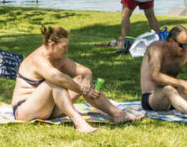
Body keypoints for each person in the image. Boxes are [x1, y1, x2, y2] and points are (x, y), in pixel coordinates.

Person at [11, 25, 143, 133]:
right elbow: (59, 78)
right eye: (64, 47)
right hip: (25, 111)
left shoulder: (58, 58)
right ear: (52, 45)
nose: (67, 50)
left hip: (49, 109)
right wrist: (82, 89)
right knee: (53, 83)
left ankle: (118, 114)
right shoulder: (38, 59)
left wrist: (86, 81)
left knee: (80, 80)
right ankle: (79, 123)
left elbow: (84, 71)